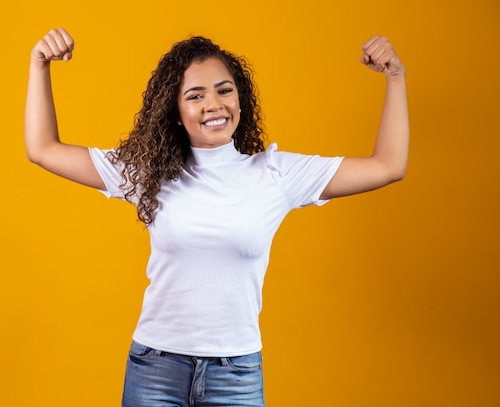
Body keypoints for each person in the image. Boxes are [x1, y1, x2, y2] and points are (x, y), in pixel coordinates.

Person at [25, 28, 409, 407]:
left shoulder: (275, 174)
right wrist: (39, 64)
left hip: (236, 374)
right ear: (175, 111)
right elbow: (43, 149)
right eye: (196, 95)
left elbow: (387, 166)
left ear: (240, 99)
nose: (214, 104)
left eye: (225, 90)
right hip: (155, 369)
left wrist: (395, 76)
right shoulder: (148, 172)